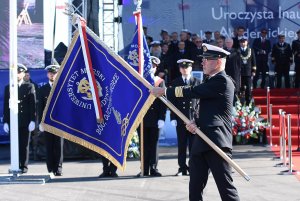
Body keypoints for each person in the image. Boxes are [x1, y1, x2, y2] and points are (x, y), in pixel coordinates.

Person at [150, 43, 240, 201]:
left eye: (207, 59)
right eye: (203, 59)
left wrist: (165, 91)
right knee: (195, 187)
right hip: (201, 139)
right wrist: (195, 122)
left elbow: (192, 91)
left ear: (218, 62)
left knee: (226, 189)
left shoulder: (223, 81)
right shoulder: (210, 80)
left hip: (216, 142)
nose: (203, 62)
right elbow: (209, 111)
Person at [169, 59, 200, 176]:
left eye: (187, 67)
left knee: (193, 146)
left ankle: (193, 167)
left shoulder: (197, 82)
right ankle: (182, 168)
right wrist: (173, 118)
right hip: (181, 119)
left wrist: (197, 118)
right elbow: (172, 102)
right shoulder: (175, 82)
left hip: (193, 120)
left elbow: (199, 102)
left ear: (191, 68)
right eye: (182, 67)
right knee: (182, 145)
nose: (184, 69)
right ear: (179, 69)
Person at [3, 64, 36, 173]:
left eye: (19, 72)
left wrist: (32, 120)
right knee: (14, 145)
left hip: (25, 121)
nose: (17, 74)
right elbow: (6, 106)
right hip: (13, 120)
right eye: (16, 72)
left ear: (23, 74)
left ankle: (24, 166)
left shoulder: (29, 86)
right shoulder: (9, 87)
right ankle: (15, 165)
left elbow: (32, 105)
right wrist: (6, 121)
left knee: (24, 145)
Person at [137, 56, 166, 177]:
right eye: (150, 66)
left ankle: (153, 167)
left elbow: (163, 101)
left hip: (155, 118)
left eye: (153, 67)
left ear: (156, 68)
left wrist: (162, 118)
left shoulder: (159, 81)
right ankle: (144, 168)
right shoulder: (140, 79)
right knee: (143, 144)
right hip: (142, 118)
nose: (152, 68)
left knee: (154, 143)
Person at [38, 65, 64, 176]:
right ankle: (50, 168)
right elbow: (40, 107)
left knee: (59, 146)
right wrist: (40, 122)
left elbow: (65, 107)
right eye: (50, 73)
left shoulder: (62, 87)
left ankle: (58, 168)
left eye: (54, 73)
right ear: (47, 74)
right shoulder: (42, 89)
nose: (52, 75)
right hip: (47, 123)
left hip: (59, 122)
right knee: (49, 146)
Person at [238, 37, 256, 105]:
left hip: (248, 73)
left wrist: (253, 71)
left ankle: (248, 103)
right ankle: (240, 103)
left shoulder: (251, 50)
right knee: (241, 89)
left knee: (248, 89)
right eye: (241, 42)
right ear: (240, 43)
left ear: (247, 42)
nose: (243, 43)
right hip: (240, 73)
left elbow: (253, 61)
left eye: (244, 42)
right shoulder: (238, 51)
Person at [224, 37, 241, 103]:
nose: (228, 44)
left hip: (235, 73)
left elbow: (239, 63)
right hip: (226, 72)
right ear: (225, 43)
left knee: (235, 89)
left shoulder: (237, 51)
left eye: (230, 42)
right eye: (227, 42)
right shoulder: (222, 51)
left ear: (232, 43)